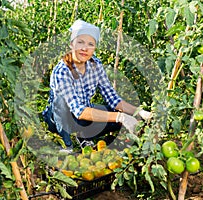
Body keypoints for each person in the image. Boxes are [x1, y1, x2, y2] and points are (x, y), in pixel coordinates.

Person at [42, 19, 152, 152]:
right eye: (80, 42)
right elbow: (79, 111)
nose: (84, 48)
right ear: (71, 44)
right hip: (60, 119)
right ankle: (67, 145)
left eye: (90, 44)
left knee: (116, 117)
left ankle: (83, 136)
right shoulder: (62, 71)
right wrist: (120, 117)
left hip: (83, 115)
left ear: (94, 48)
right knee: (60, 103)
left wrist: (139, 112)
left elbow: (112, 98)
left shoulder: (96, 65)